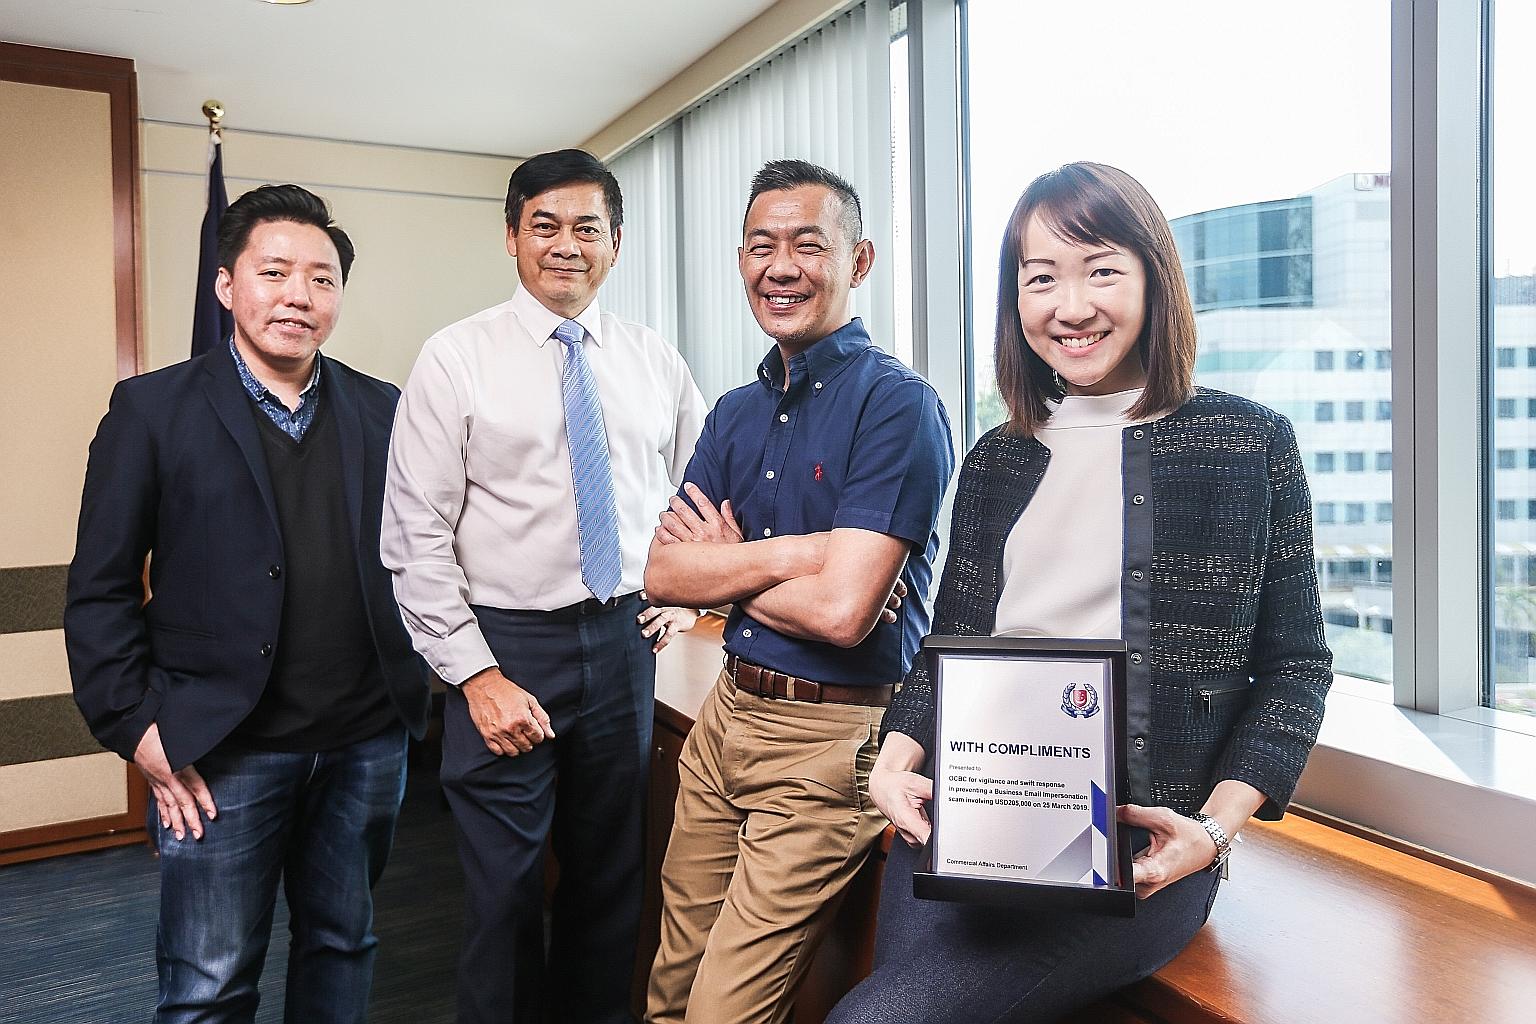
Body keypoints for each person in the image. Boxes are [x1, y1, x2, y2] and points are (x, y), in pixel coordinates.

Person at [826, 161, 1334, 1023]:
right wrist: (896, 759)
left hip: (1142, 855)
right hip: (969, 818)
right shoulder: (998, 456)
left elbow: (1297, 670)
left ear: (1153, 279)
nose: (1070, 306)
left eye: (1102, 269)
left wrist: (1211, 833)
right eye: (1040, 279)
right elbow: (950, 646)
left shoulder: (1248, 444)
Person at [65, 184, 432, 1023]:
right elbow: (101, 589)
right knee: (210, 981)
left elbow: (426, 553)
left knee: (343, 946)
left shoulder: (385, 409)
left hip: (364, 742)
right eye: (275, 272)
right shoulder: (152, 410)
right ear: (226, 285)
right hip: (222, 751)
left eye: (322, 278)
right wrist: (138, 728)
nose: (299, 295)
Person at [380, 148, 707, 1024]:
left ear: (617, 241)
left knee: (610, 885)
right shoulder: (455, 359)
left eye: (588, 228)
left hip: (622, 643)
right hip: (504, 647)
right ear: (513, 237)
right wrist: (475, 678)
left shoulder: (654, 360)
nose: (568, 245)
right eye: (546, 226)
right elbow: (413, 538)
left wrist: (680, 594)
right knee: (506, 894)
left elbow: (705, 498)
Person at [643, 159, 955, 1024]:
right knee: (669, 985)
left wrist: (735, 565)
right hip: (725, 716)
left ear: (857, 263)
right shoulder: (735, 412)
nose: (780, 267)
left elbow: (842, 615)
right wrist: (807, 552)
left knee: (720, 1014)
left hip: (832, 741)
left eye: (807, 246)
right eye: (760, 246)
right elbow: (663, 573)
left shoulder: (898, 406)